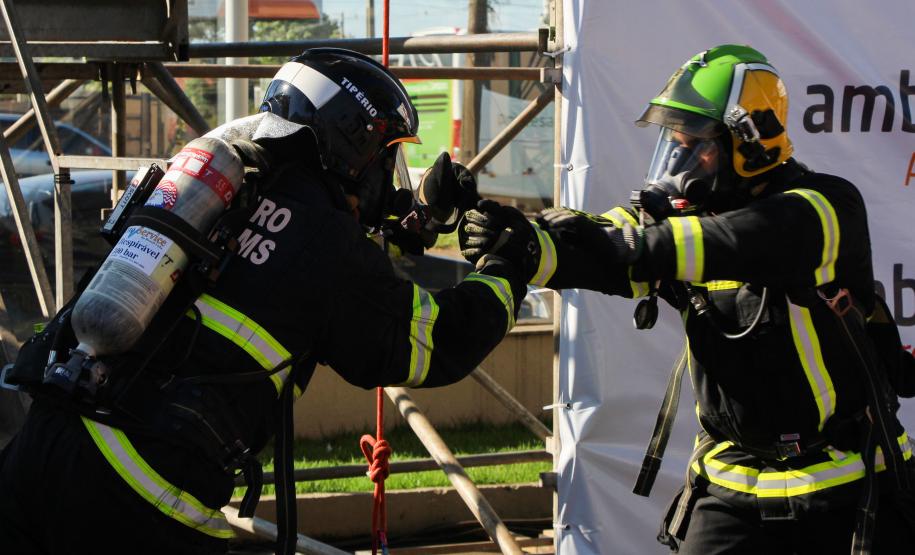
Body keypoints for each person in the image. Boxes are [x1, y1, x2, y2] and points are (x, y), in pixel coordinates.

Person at [0, 48, 540, 554]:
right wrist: (508, 267)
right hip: (140, 495)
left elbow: (292, 259)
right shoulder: (325, 243)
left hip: (42, 442)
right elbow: (434, 342)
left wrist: (422, 214)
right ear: (353, 143)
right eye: (386, 156)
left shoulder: (229, 184)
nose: (386, 174)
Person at [460, 44, 915, 554]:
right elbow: (600, 251)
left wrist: (628, 244)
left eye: (698, 145)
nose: (680, 162)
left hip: (850, 489)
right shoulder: (679, 222)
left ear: (752, 142)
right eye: (673, 145)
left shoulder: (824, 207)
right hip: (733, 486)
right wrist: (515, 238)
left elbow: (732, 242)